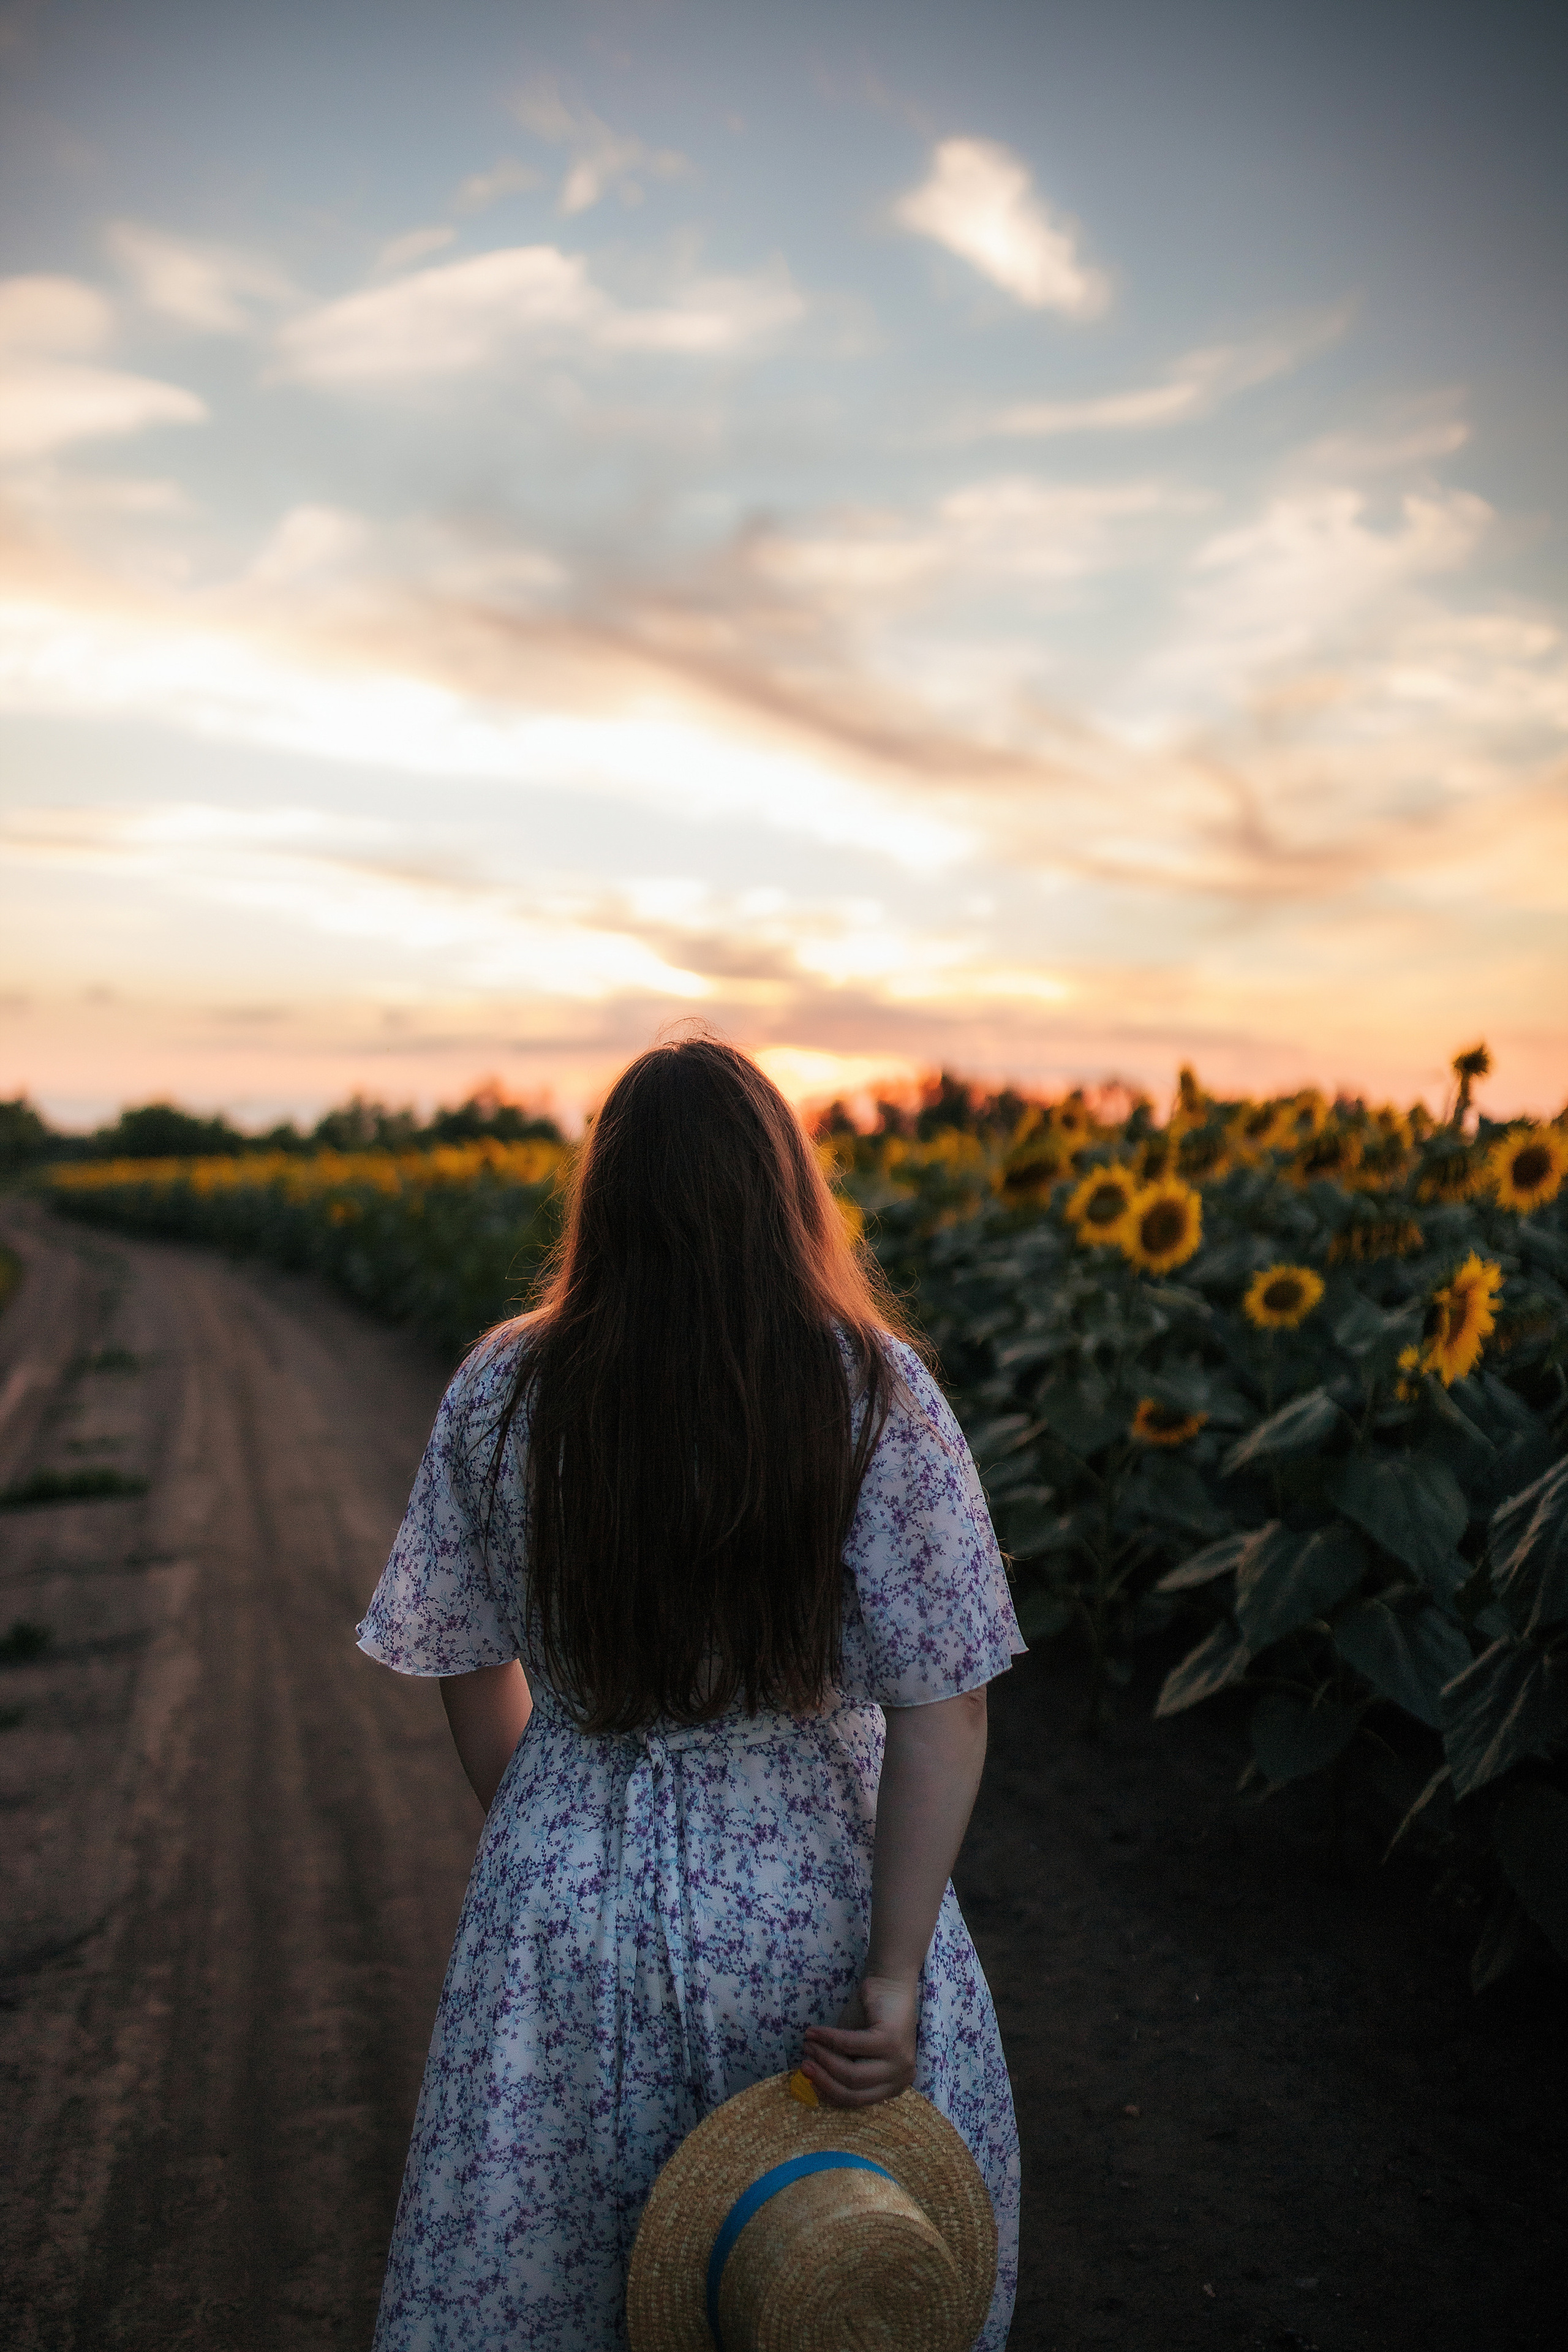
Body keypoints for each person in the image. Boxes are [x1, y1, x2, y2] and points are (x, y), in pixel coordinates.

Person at [357, 1036, 1023, 2351]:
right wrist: (890, 1983)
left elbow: (461, 1656)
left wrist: (554, 1818)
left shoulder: (505, 1387)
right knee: (815, 2285)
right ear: (786, 1194)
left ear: (601, 1199)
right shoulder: (867, 1387)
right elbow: (944, 1704)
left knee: (554, 2271)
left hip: (562, 1905)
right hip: (810, 1904)